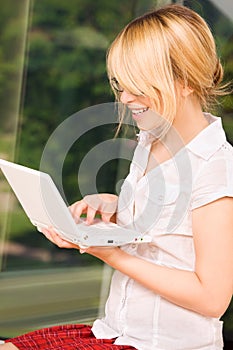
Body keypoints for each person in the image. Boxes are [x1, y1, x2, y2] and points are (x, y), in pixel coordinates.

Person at [2, 4, 233, 350]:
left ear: (184, 82)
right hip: (114, 331)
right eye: (121, 85)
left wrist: (112, 255)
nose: (125, 98)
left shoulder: (215, 168)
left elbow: (212, 298)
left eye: (138, 86)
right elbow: (164, 234)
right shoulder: (151, 141)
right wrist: (118, 206)